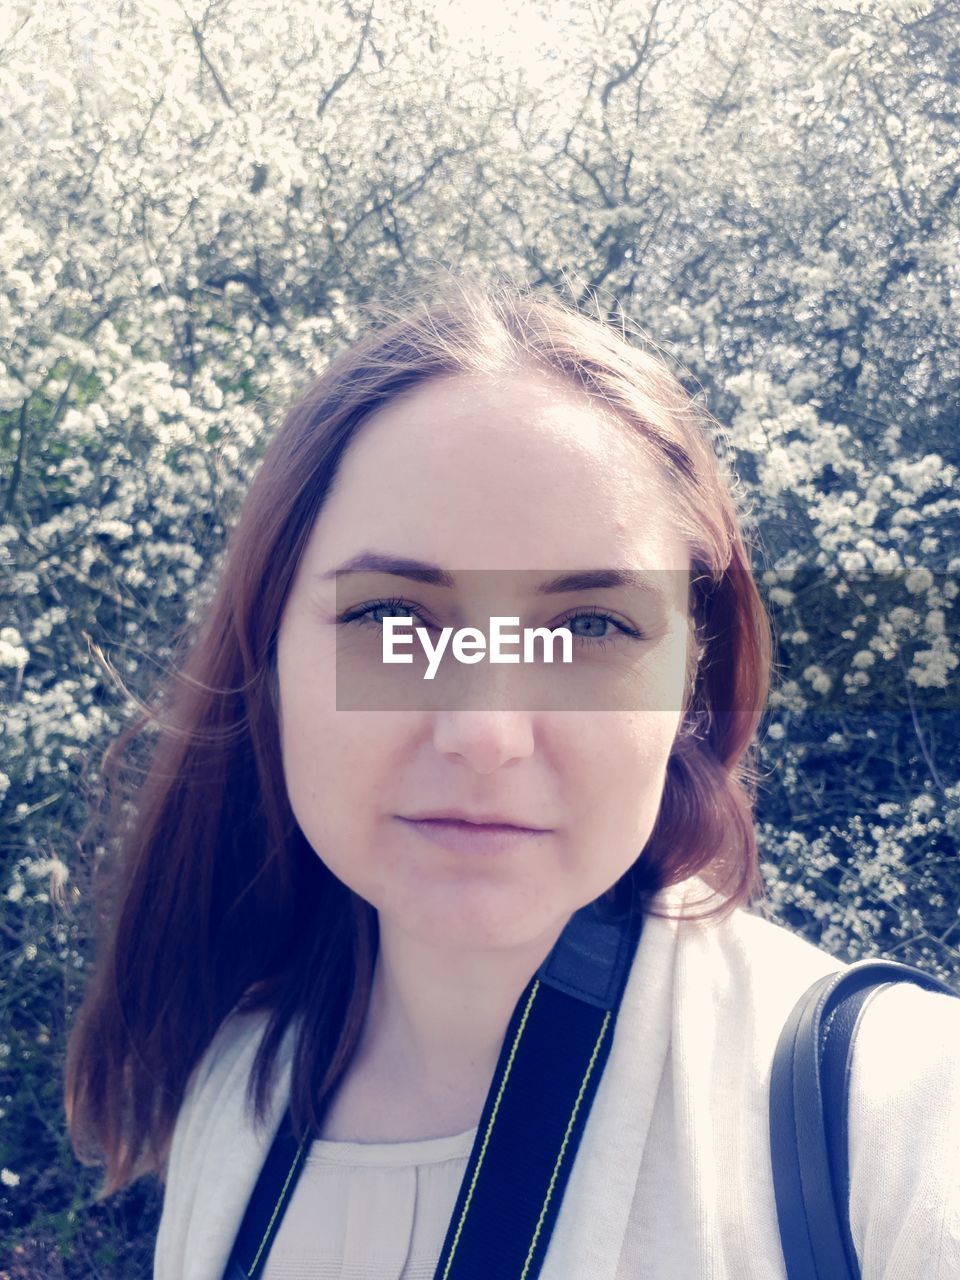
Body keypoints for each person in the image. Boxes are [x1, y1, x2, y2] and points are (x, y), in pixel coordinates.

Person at [63, 276, 960, 1279]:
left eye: (590, 626)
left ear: (689, 688)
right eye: (393, 618)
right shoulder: (237, 1097)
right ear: (268, 659)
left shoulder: (893, 1117)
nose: (485, 732)